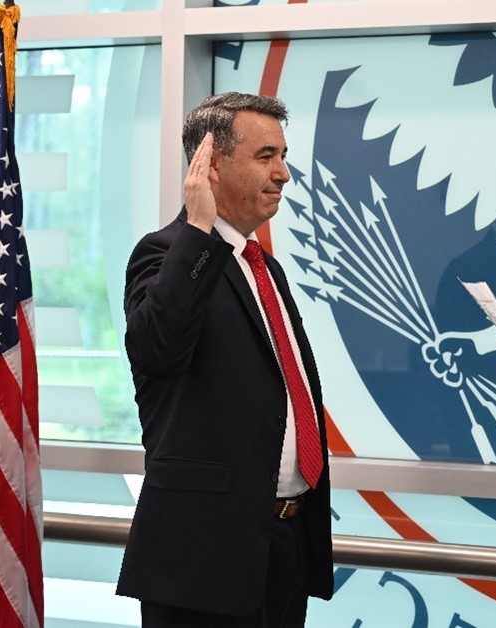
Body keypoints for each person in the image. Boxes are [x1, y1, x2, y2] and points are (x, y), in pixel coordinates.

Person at [116, 92, 333, 626]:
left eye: (283, 155)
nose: (283, 173)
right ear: (210, 164)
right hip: (203, 561)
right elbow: (157, 352)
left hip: (284, 545)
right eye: (265, 157)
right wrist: (198, 227)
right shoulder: (167, 253)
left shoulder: (266, 267)